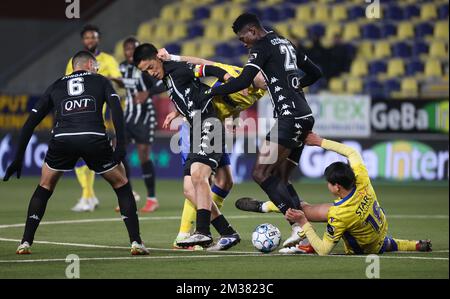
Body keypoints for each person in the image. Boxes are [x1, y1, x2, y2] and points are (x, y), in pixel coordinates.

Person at [4, 51, 149, 255]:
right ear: (90, 64)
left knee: (44, 186)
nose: (97, 69)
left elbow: (30, 123)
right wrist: (121, 147)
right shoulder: (101, 81)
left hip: (62, 139)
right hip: (93, 137)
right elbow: (116, 111)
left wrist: (18, 158)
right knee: (122, 184)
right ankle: (136, 242)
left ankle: (25, 242)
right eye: (96, 66)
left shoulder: (56, 84)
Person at [198, 13, 322, 249]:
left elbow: (244, 81)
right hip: (305, 116)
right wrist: (294, 85)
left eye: (243, 37)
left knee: (260, 173)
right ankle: (305, 237)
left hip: (289, 118)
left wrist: (211, 92)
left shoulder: (261, 47)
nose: (243, 43)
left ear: (253, 31)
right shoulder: (285, 42)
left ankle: (299, 226)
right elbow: (316, 72)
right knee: (281, 179)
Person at [133, 43, 240, 250]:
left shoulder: (179, 69)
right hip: (194, 129)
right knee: (190, 189)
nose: (150, 73)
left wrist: (231, 84)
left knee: (199, 175)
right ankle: (227, 232)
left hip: (209, 124)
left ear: (158, 58)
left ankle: (202, 233)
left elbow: (212, 69)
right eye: (145, 71)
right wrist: (178, 112)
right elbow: (190, 96)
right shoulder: (167, 79)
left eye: (151, 67)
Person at [157, 48, 266, 249]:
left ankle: (226, 233)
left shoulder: (260, 91)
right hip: (196, 126)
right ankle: (185, 234)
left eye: (268, 79)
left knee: (225, 182)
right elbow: (202, 63)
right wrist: (172, 57)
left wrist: (233, 119)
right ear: (255, 70)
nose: (265, 80)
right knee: (194, 185)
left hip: (214, 127)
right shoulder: (235, 74)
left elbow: (232, 105)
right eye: (263, 75)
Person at [283, 131, 432, 255]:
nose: (327, 185)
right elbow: (351, 152)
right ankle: (417, 245)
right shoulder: (362, 179)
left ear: (337, 187)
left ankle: (267, 207)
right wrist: (320, 141)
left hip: (361, 248)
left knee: (314, 213)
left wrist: (303, 223)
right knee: (385, 243)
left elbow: (323, 250)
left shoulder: (339, 213)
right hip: (378, 233)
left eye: (329, 183)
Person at [65, 24, 123, 212]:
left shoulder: (107, 59)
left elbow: (119, 80)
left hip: (99, 113)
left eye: (94, 37)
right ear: (83, 40)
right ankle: (88, 196)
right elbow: (67, 84)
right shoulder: (75, 60)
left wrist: (101, 77)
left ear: (98, 39)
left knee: (88, 154)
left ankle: (92, 196)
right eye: (87, 37)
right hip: (78, 112)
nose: (90, 40)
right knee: (81, 155)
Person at [118, 37, 166, 213]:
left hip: (145, 116)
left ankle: (152, 198)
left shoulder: (146, 68)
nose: (130, 52)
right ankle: (128, 193)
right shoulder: (123, 67)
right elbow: (127, 84)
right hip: (128, 116)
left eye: (133, 49)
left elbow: (162, 84)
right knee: (118, 152)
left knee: (143, 156)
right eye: (127, 49)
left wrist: (148, 92)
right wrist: (117, 82)